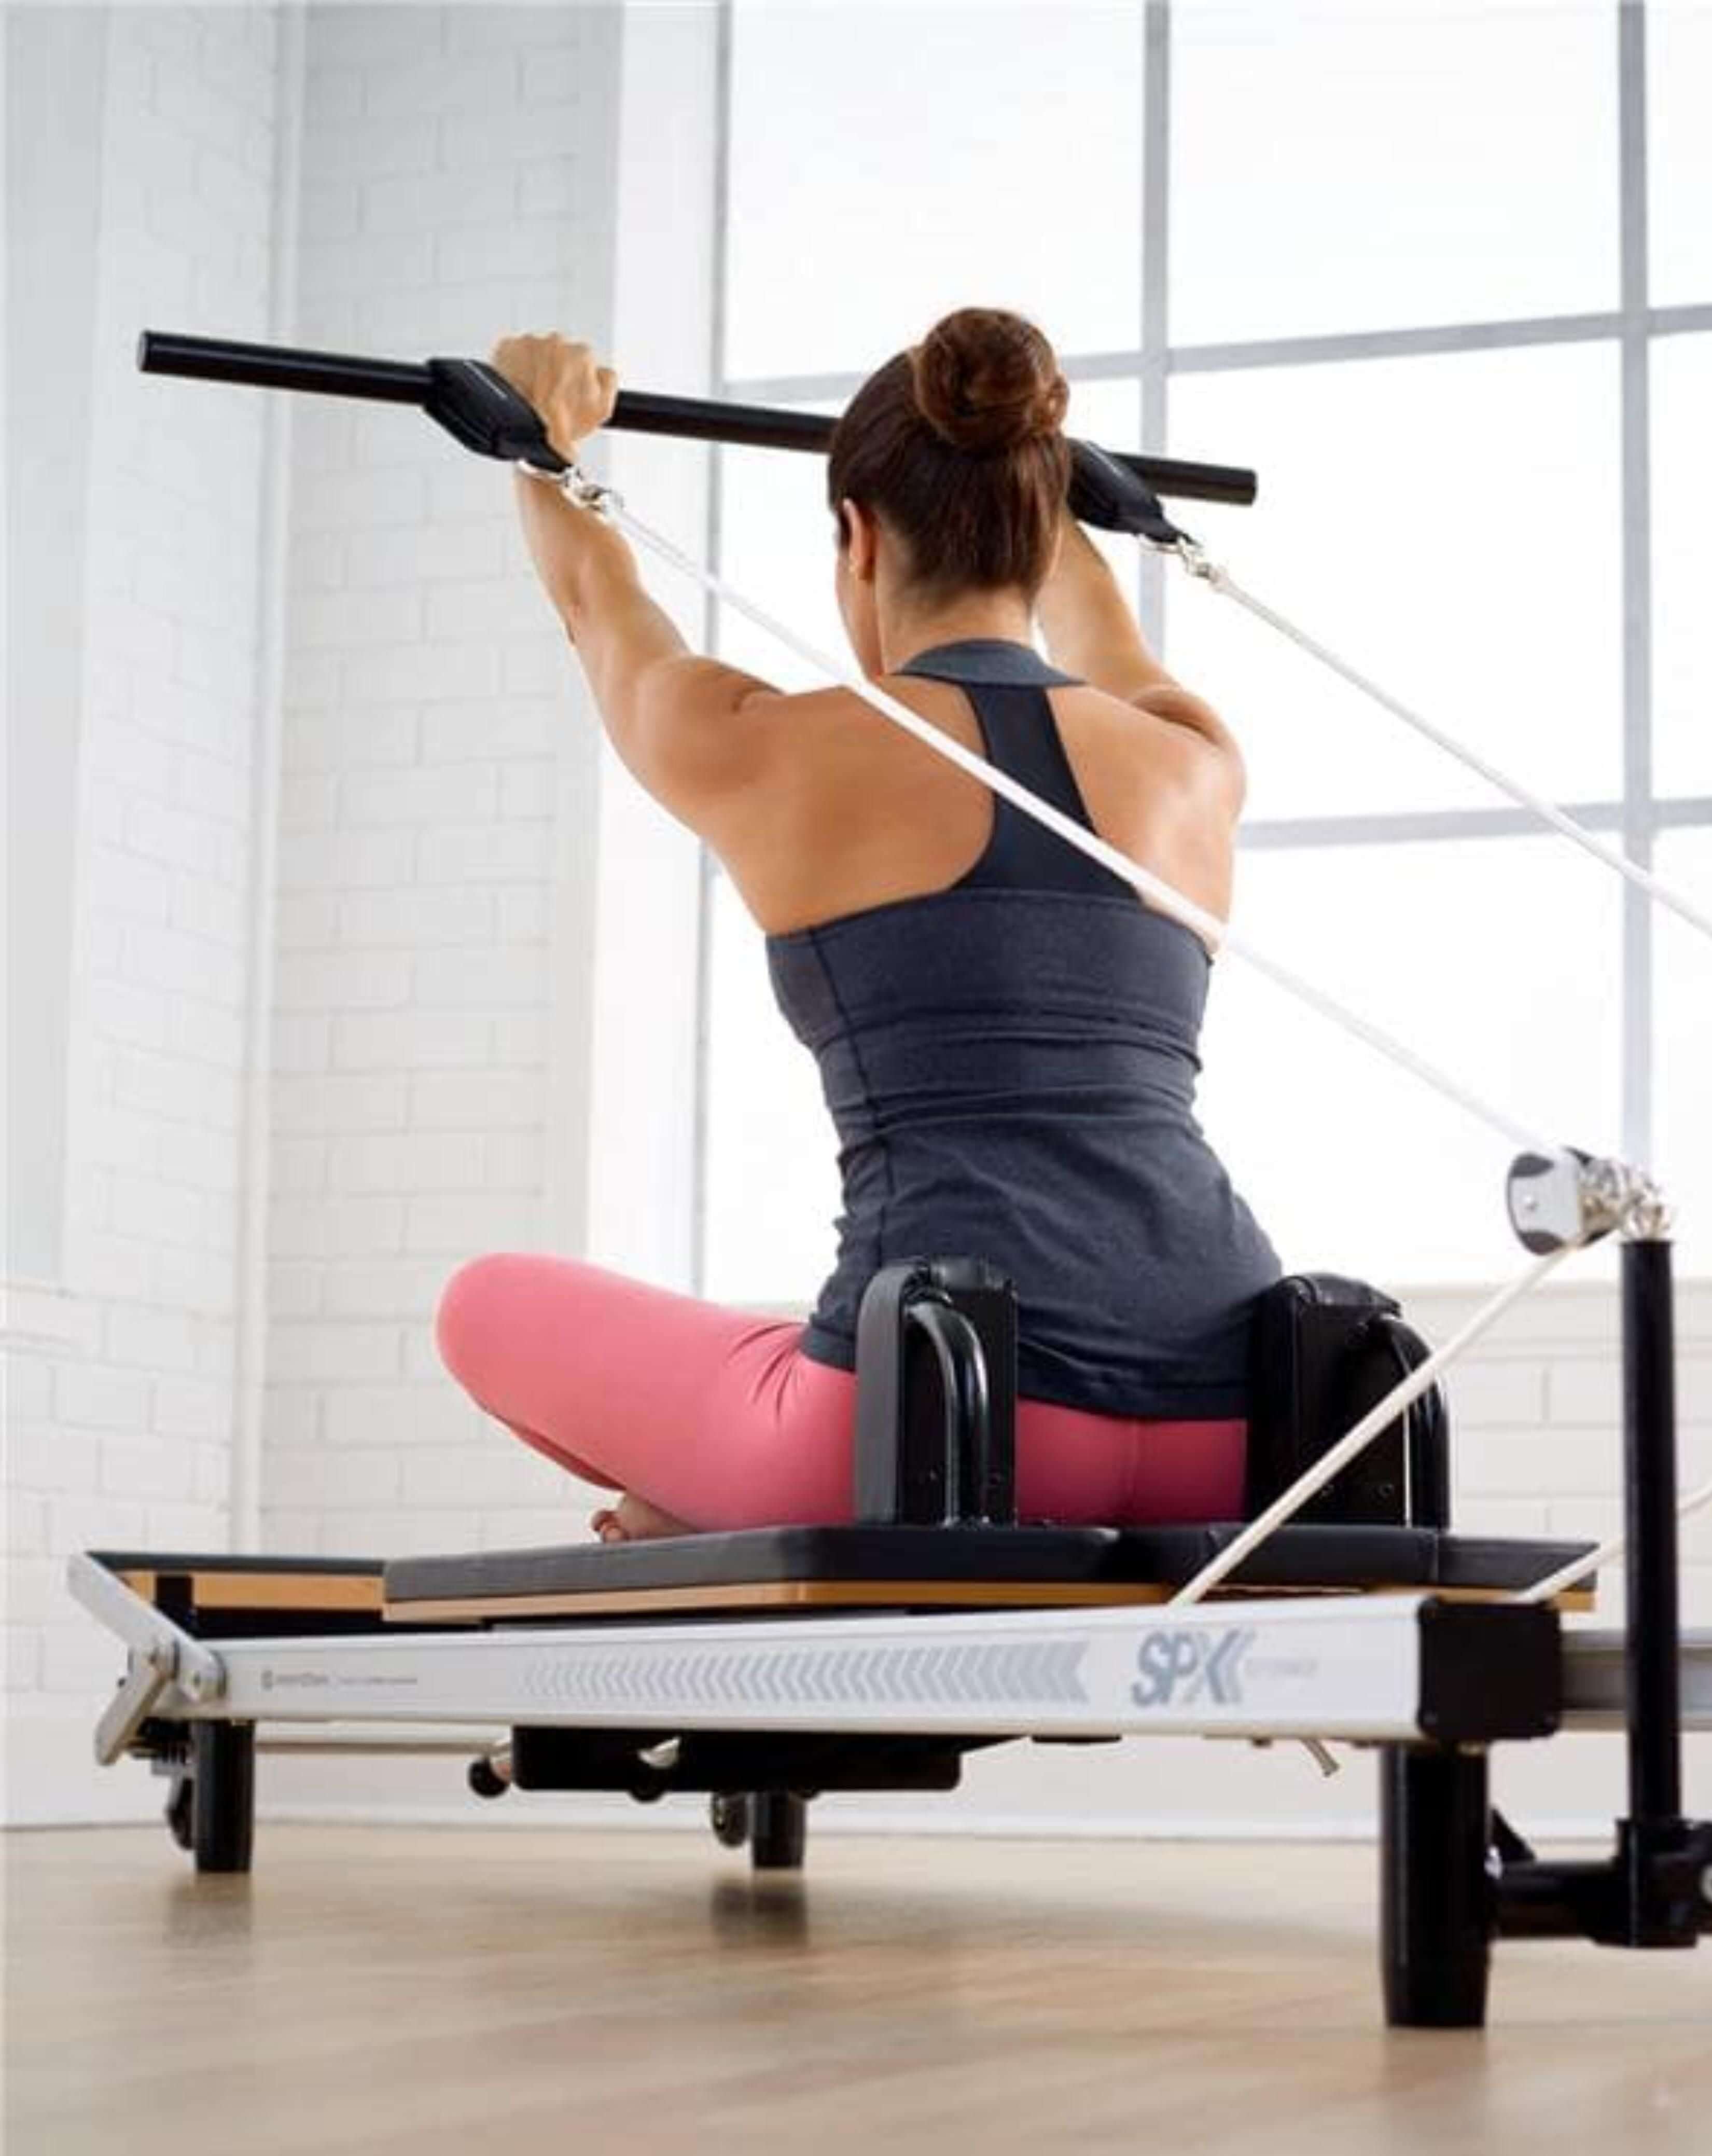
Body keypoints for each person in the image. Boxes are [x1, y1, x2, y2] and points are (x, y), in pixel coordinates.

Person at [433, 308, 1280, 1541]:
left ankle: (702, 1507)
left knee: (486, 1303)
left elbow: (596, 607)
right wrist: (1053, 499)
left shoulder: (771, 748)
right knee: (769, 1357)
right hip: (1231, 1432)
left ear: (856, 535)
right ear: (1040, 533)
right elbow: (1112, 647)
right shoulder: (1190, 762)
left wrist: (540, 445)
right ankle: (715, 1491)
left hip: (940, 1428)